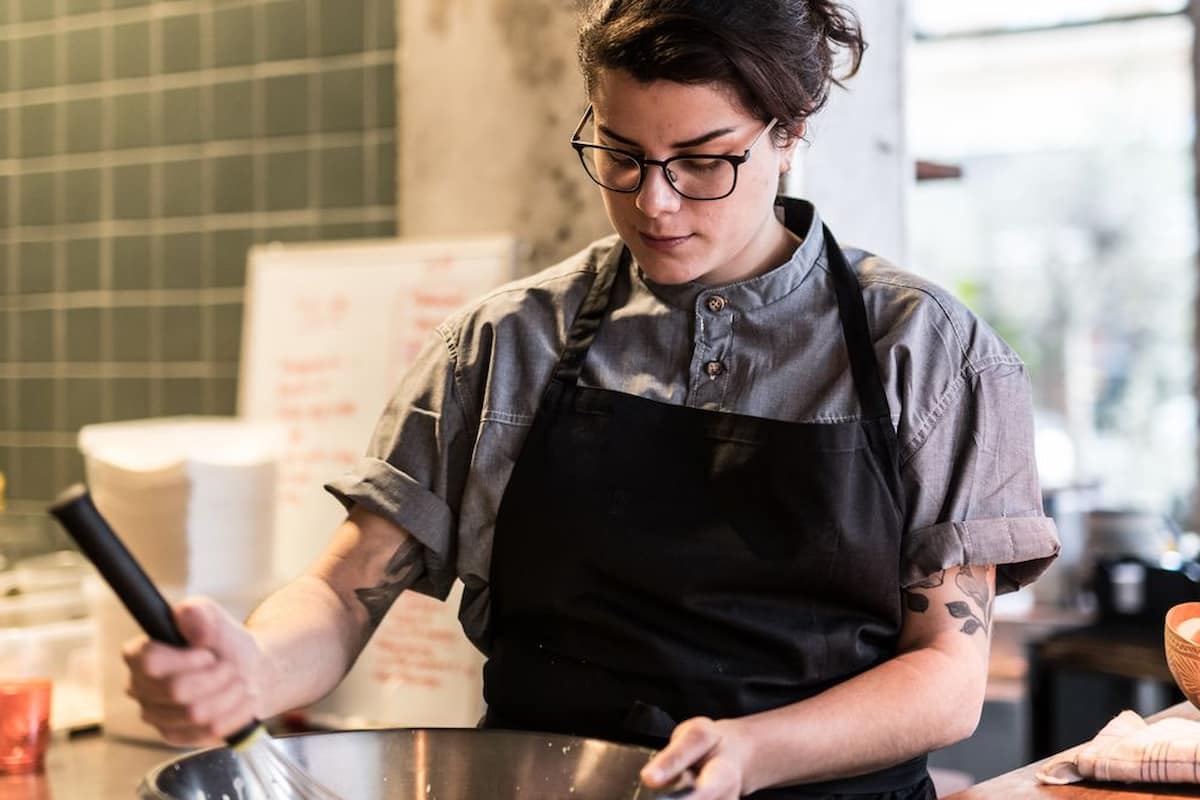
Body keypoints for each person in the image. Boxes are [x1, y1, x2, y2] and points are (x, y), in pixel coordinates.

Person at [122, 2, 1061, 798]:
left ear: (791, 129)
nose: (654, 202)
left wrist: (753, 752)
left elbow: (946, 674)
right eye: (620, 154)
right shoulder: (504, 344)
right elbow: (342, 590)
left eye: (702, 160)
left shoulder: (929, 353)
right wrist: (248, 669)